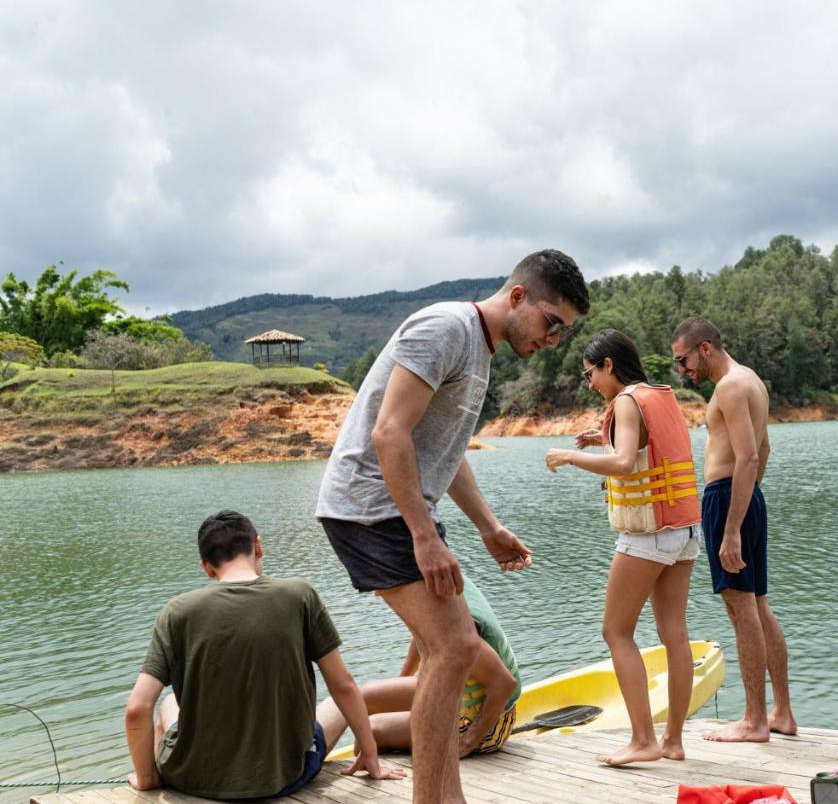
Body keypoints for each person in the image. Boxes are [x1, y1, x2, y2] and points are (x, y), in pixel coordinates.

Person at [314, 249, 589, 804]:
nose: (552, 340)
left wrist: (488, 527)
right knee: (455, 648)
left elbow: (443, 450)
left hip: (397, 508)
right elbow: (389, 434)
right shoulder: (446, 328)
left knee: (455, 649)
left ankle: (450, 798)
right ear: (517, 297)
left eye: (563, 333)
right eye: (551, 323)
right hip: (371, 507)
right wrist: (424, 536)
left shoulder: (479, 350)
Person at [123, 510, 404, 799]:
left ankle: (152, 779)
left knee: (168, 703)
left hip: (191, 778)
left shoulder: (176, 611)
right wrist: (371, 754)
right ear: (258, 546)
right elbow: (343, 684)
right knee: (336, 700)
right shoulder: (300, 596)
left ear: (207, 567)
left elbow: (136, 709)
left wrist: (144, 777)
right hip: (285, 776)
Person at [544, 329, 700, 766]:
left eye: (591, 373)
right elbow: (644, 450)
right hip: (685, 532)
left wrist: (568, 456)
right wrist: (603, 439)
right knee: (675, 634)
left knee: (616, 632)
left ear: (609, 365)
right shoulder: (660, 394)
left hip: (648, 533)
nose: (590, 382)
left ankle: (643, 740)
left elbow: (623, 463)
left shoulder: (628, 400)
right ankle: (672, 741)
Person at [670, 317, 797, 743]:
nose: (682, 369)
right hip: (746, 499)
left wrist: (731, 527)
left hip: (728, 498)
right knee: (759, 605)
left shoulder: (729, 386)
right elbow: (764, 448)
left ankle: (754, 720)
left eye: (683, 359)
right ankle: (781, 712)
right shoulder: (752, 381)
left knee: (741, 610)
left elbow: (747, 458)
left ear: (704, 348)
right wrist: (750, 506)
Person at [318, 579, 521, 759]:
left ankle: (368, 772)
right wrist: (401, 682)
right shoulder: (437, 586)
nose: (376, 593)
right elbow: (422, 633)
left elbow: (504, 684)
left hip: (486, 723)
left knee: (372, 731)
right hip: (454, 692)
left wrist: (468, 743)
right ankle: (309, 757)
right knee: (360, 696)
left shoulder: (452, 626)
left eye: (381, 584)